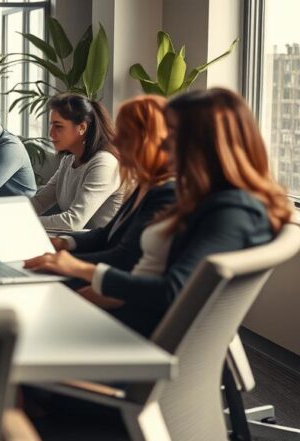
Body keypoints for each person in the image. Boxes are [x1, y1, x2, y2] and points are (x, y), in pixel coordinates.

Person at [24, 88, 293, 337]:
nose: (163, 146)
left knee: (14, 337)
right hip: (130, 322)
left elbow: (171, 291)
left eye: (172, 137)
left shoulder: (231, 212)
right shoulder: (200, 199)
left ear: (205, 144)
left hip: (136, 337)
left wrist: (81, 270)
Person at [24, 96, 176, 300]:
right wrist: (63, 243)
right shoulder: (144, 185)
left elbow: (122, 254)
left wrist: (75, 265)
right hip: (106, 262)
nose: (118, 141)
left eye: (126, 134)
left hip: (113, 273)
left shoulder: (109, 164)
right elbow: (108, 236)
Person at [30, 93, 123, 231]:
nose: (51, 133)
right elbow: (40, 201)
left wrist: (23, 222)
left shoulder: (104, 163)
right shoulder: (68, 161)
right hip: (79, 242)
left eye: (58, 126)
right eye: (51, 125)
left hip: (106, 248)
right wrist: (4, 217)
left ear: (82, 128)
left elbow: (73, 221)